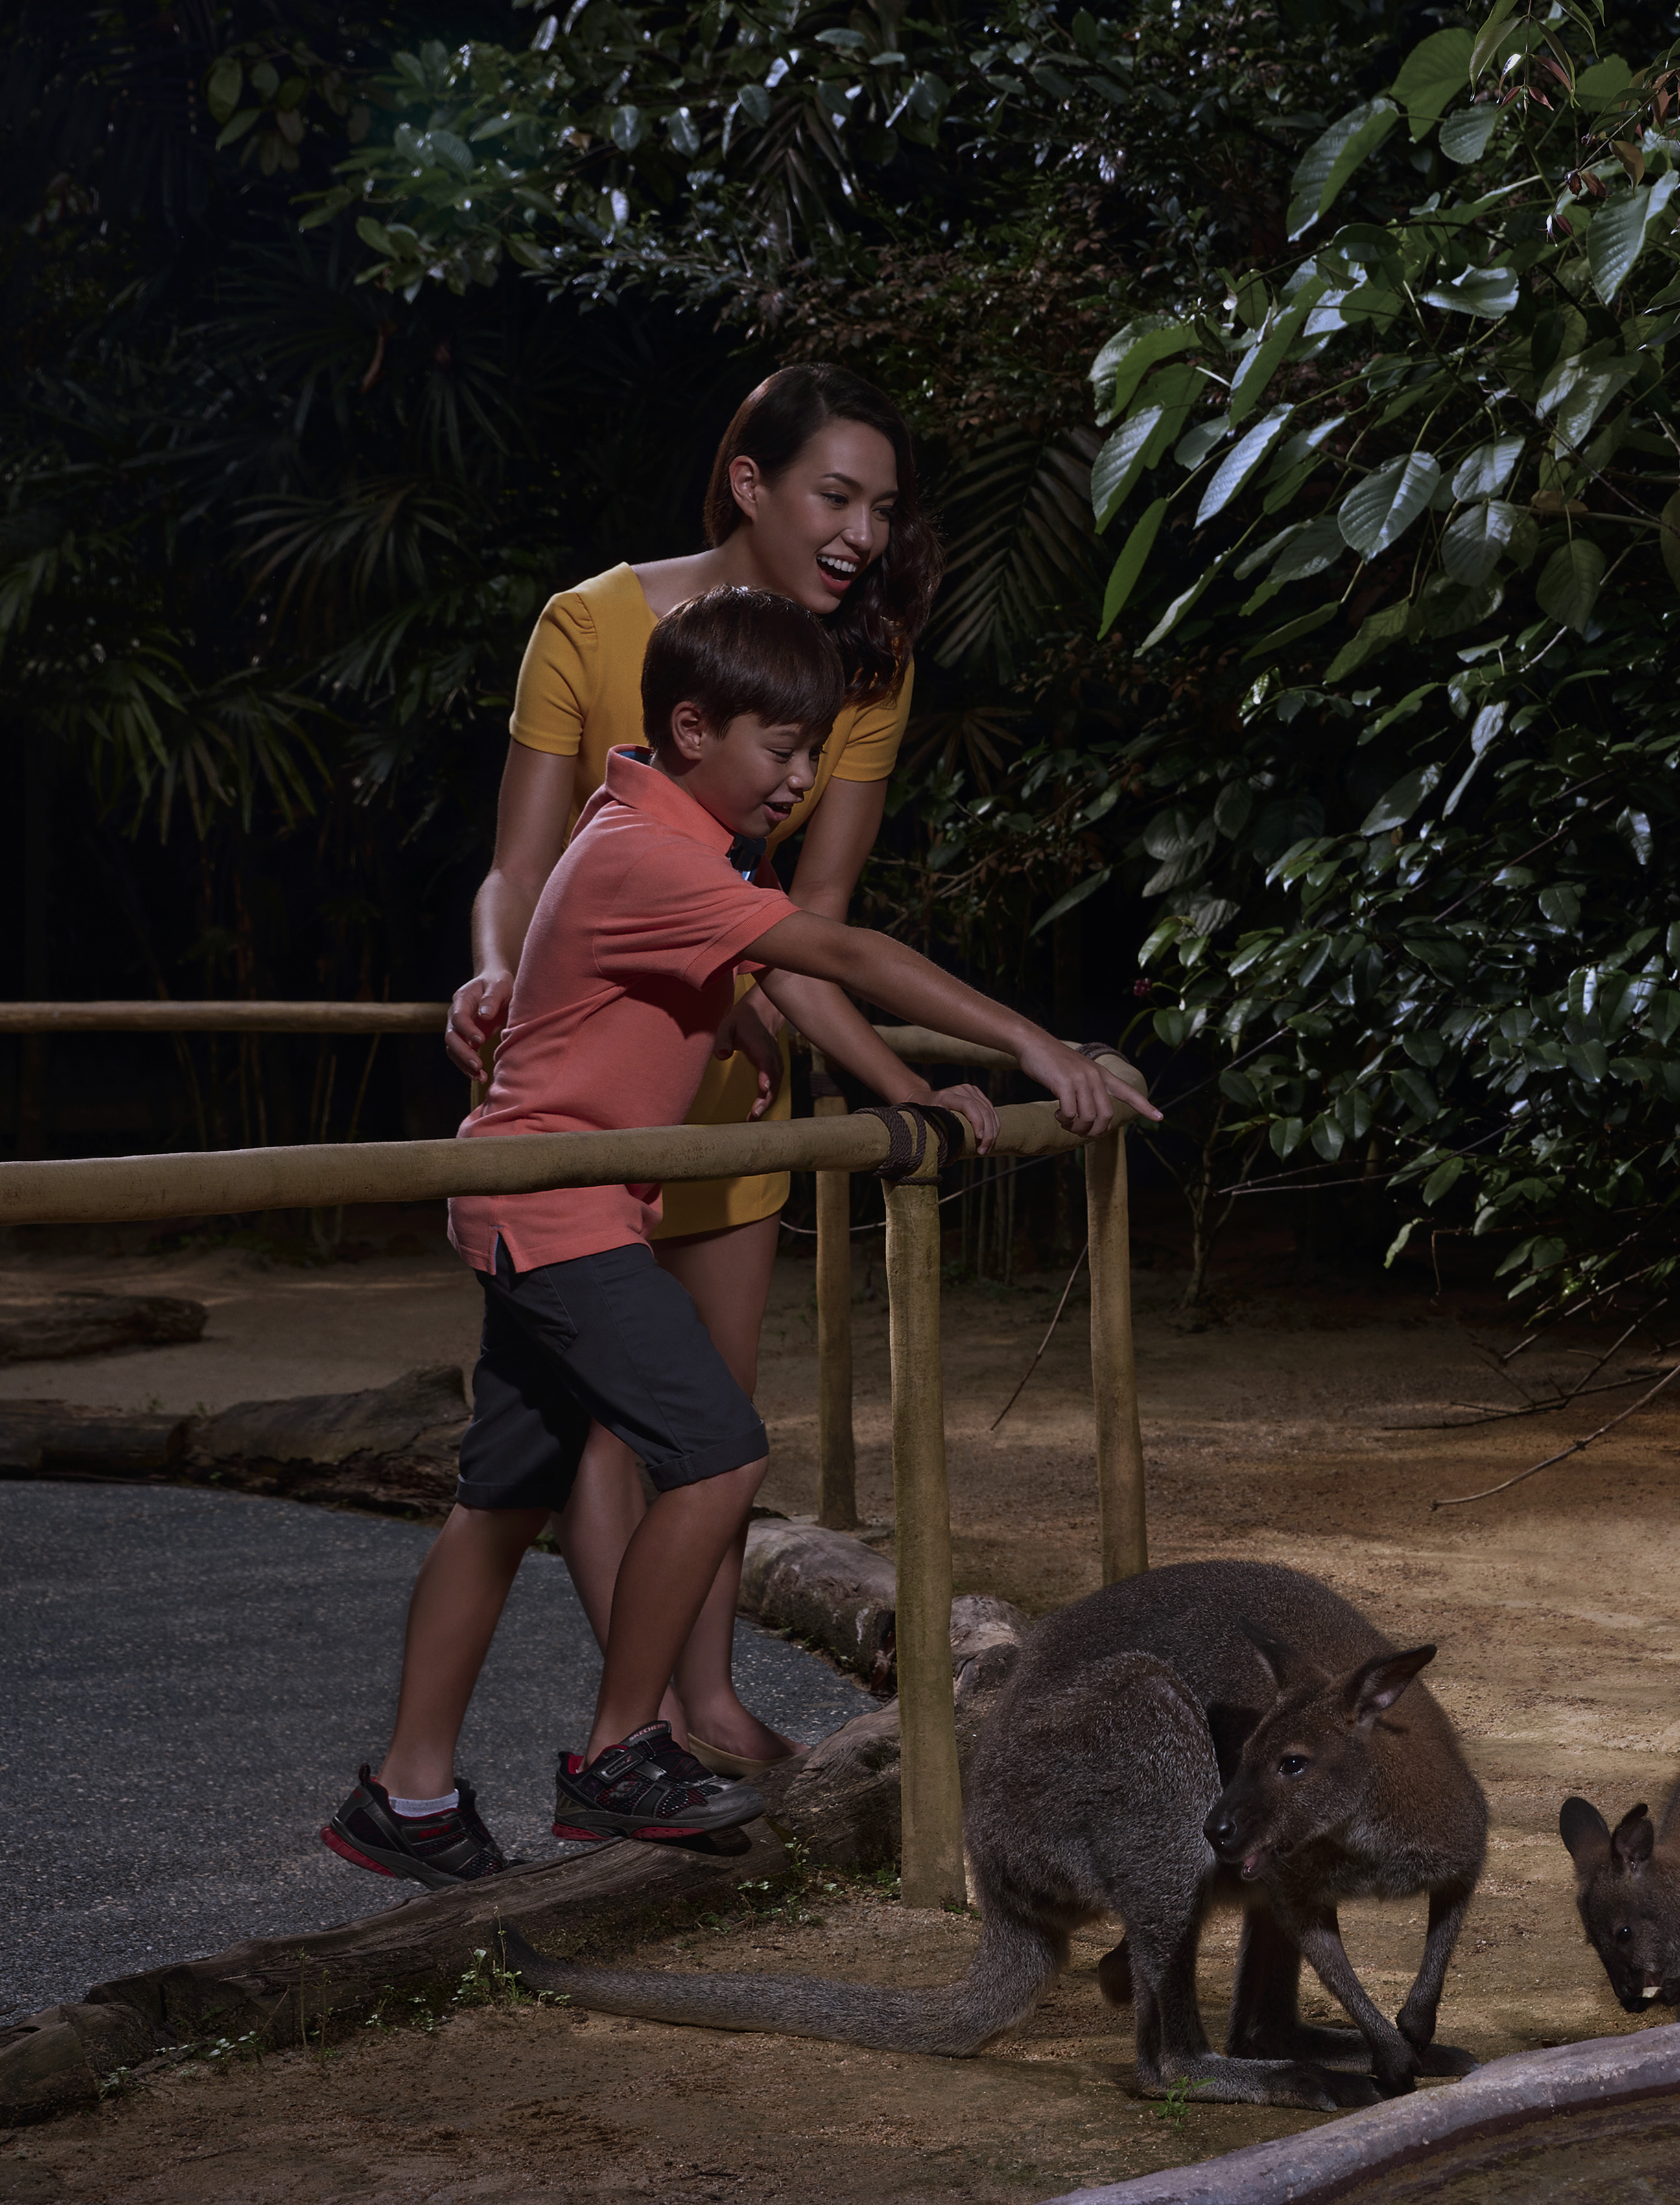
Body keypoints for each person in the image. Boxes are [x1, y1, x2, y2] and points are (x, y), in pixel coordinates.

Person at [325, 588, 1154, 1883]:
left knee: (498, 1506)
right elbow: (843, 947)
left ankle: (406, 1799)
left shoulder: (668, 838)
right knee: (715, 1456)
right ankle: (616, 1757)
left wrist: (904, 1089)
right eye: (783, 751)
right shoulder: (650, 860)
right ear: (695, 727)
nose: (803, 779)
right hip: (562, 1206)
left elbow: (789, 977)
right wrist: (1031, 1042)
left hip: (541, 1198)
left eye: (816, 751)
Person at [448, 365, 934, 1774]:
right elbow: (520, 871)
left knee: (709, 1425)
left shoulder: (866, 671)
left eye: (883, 510)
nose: (862, 535)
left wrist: (840, 1053)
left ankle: (701, 1705)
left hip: (735, 1080)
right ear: (750, 484)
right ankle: (643, 1725)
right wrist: (492, 973)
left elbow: (816, 908)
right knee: (603, 1420)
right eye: (836, 497)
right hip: (581, 1068)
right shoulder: (591, 622)